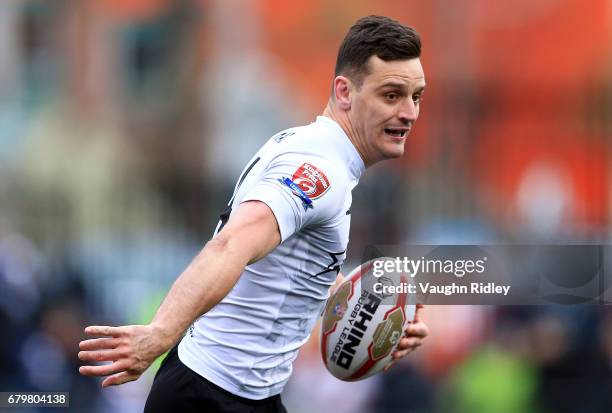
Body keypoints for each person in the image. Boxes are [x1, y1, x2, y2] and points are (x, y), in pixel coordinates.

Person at [78, 15, 429, 413]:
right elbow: (231, 244)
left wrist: (382, 320)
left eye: (416, 96)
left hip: (245, 394)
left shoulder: (314, 151)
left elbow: (290, 277)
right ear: (345, 92)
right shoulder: (321, 171)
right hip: (209, 396)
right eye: (391, 95)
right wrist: (160, 334)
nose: (409, 112)